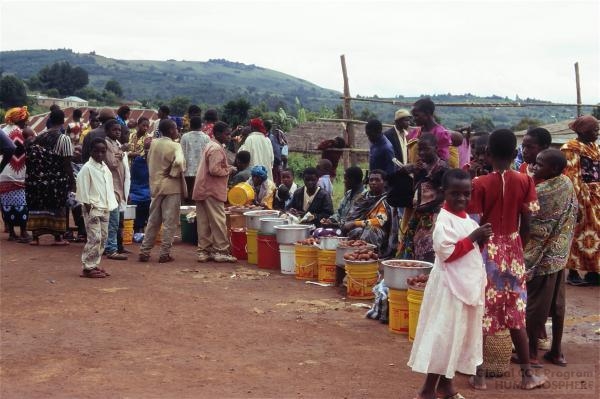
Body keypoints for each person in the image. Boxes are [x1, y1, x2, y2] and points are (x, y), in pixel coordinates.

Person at [467, 128, 547, 391]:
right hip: (513, 249)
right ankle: (527, 376)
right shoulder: (526, 181)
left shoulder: (479, 184)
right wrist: (517, 246)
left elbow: (475, 223)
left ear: (487, 154)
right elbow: (530, 221)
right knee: (515, 314)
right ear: (515, 153)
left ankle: (479, 376)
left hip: (486, 251)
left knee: (483, 311)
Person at [408, 169, 492, 399]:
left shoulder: (465, 218)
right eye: (456, 194)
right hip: (448, 288)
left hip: (464, 287)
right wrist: (474, 237)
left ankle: (446, 386)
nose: (462, 199)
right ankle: (427, 390)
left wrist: (479, 240)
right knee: (443, 337)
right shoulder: (443, 219)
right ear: (444, 193)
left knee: (457, 335)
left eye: (466, 194)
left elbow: (469, 250)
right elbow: (448, 252)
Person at [524, 149, 577, 367]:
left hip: (541, 257)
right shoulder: (567, 183)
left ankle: (532, 354)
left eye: (539, 164)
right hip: (560, 254)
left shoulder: (542, 191)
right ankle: (556, 351)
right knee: (557, 306)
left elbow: (530, 219)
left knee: (535, 306)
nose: (535, 167)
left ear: (554, 168)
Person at [138, 119, 185, 263]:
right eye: (176, 128)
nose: (178, 131)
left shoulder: (153, 143)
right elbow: (179, 162)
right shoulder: (176, 145)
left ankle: (144, 251)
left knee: (153, 220)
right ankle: (164, 253)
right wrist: (174, 173)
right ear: (171, 130)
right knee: (169, 221)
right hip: (171, 187)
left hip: (155, 186)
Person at [561, 115, 600, 286]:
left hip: (596, 196)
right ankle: (573, 273)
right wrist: (575, 202)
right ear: (583, 131)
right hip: (582, 196)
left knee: (595, 235)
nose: (597, 133)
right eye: (595, 130)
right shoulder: (571, 148)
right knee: (577, 233)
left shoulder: (593, 147)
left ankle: (593, 271)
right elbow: (571, 175)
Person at [26, 109, 74, 246]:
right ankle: (58, 237)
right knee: (57, 205)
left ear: (50, 120)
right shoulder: (64, 139)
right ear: (63, 120)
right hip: (56, 180)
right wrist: (72, 180)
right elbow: (66, 163)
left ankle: (35, 237)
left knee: (38, 204)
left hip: (38, 179)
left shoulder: (39, 136)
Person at [398, 134, 448, 262]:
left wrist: (426, 206)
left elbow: (443, 195)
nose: (421, 153)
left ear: (436, 148)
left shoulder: (442, 169)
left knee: (426, 244)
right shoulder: (420, 168)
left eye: (426, 149)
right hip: (419, 214)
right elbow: (416, 190)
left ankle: (427, 277)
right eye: (419, 149)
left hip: (434, 215)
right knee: (411, 244)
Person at [193, 121, 237, 263]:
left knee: (203, 222)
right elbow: (214, 169)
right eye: (227, 134)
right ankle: (221, 250)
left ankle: (203, 251)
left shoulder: (210, 145)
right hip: (211, 190)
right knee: (218, 221)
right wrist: (229, 170)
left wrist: (225, 167)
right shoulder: (217, 148)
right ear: (218, 134)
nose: (229, 136)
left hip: (202, 188)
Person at [76, 138, 119, 278]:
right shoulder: (87, 168)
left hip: (105, 207)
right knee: (94, 237)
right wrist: (88, 208)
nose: (100, 154)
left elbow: (108, 186)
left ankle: (94, 263)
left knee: (103, 237)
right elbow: (82, 190)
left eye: (103, 151)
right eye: (97, 151)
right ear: (91, 151)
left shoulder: (104, 167)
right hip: (93, 208)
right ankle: (88, 267)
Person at [343, 170, 396, 258]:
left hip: (381, 232)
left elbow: (379, 221)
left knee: (370, 230)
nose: (373, 182)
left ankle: (372, 256)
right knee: (355, 231)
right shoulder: (363, 197)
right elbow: (351, 217)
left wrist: (355, 223)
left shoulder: (387, 200)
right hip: (362, 228)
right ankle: (355, 256)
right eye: (371, 180)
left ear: (384, 182)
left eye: (377, 180)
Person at [0, 107, 31, 242]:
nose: (26, 122)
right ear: (21, 119)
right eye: (25, 119)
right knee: (21, 204)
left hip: (3, 173)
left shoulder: (3, 130)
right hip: (17, 175)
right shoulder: (19, 132)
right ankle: (23, 232)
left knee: (7, 204)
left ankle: (12, 232)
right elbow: (22, 152)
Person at [103, 119, 129, 260]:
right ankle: (111, 249)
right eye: (114, 130)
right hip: (111, 186)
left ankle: (111, 247)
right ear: (107, 131)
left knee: (115, 220)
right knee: (113, 220)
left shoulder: (115, 144)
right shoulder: (107, 144)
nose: (118, 132)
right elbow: (112, 163)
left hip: (118, 186)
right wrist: (121, 153)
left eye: (119, 130)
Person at [180, 116, 211, 204]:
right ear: (201, 125)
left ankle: (188, 215)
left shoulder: (185, 137)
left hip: (187, 172)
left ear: (190, 125)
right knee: (199, 197)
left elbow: (181, 153)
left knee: (188, 197)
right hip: (201, 172)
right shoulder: (206, 138)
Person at [129, 137, 152, 240]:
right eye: (146, 149)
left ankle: (142, 227)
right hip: (137, 189)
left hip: (150, 189)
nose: (147, 152)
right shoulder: (138, 161)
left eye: (150, 149)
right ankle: (138, 228)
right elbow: (135, 179)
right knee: (138, 200)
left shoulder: (156, 162)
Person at [265, 120, 283, 185]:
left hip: (274, 164)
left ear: (266, 127)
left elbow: (276, 153)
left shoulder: (270, 138)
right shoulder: (271, 137)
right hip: (275, 163)